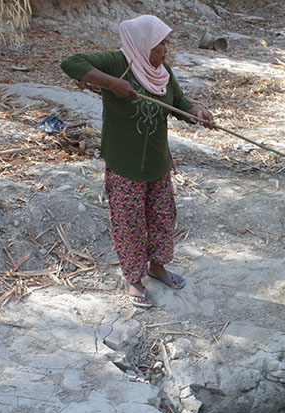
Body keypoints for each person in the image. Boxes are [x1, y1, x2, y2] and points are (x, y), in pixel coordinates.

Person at [61, 15, 215, 308]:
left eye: (166, 43)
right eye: (160, 45)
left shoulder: (162, 70)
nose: (165, 50)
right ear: (143, 44)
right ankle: (134, 279)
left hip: (157, 163)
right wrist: (112, 84)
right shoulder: (119, 62)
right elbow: (72, 63)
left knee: (162, 218)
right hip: (125, 164)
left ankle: (157, 267)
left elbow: (178, 102)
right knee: (129, 223)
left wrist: (196, 111)